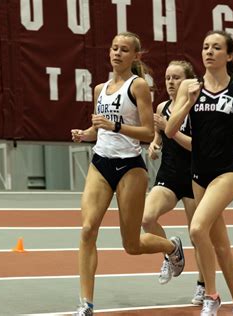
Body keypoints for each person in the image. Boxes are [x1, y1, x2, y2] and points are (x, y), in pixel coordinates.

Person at [70, 32, 185, 316]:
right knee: (87, 230)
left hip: (129, 167)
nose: (117, 53)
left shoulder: (139, 86)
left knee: (131, 245)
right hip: (101, 162)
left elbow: (147, 132)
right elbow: (98, 127)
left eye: (124, 50)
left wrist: (115, 127)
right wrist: (86, 134)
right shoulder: (100, 89)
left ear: (135, 56)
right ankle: (86, 304)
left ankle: (172, 246)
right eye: (113, 48)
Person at [165, 30, 233, 316]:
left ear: (228, 55)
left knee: (197, 229)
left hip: (227, 171)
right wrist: (188, 101)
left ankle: (211, 296)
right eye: (205, 47)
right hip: (198, 172)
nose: (209, 52)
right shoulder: (189, 85)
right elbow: (169, 129)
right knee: (221, 244)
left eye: (216, 47)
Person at [141, 60, 207, 304]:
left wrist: (169, 129)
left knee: (197, 235)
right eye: (168, 78)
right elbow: (159, 136)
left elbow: (197, 146)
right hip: (169, 175)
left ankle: (203, 285)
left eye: (176, 78)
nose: (170, 82)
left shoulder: (199, 108)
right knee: (147, 218)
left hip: (194, 177)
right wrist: (154, 145)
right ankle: (171, 250)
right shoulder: (162, 106)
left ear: (188, 81)